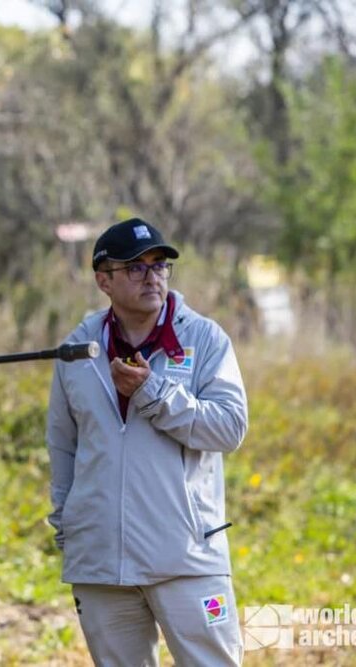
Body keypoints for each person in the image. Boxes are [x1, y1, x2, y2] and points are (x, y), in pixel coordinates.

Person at [46, 218, 248, 665]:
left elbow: (230, 428)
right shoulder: (76, 350)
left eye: (159, 265)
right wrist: (69, 524)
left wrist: (152, 392)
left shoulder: (205, 339)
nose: (151, 276)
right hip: (100, 561)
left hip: (186, 556)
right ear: (104, 280)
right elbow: (63, 446)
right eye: (135, 268)